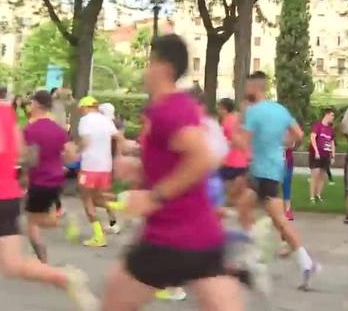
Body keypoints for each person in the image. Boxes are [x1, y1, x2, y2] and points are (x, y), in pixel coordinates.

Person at [101, 34, 242, 310]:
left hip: (168, 237)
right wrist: (141, 170)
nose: (145, 71)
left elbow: (202, 158)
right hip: (203, 235)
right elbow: (180, 162)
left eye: (148, 63)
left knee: (112, 304)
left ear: (162, 68)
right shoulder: (175, 107)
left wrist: (154, 196)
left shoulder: (168, 110)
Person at [0, 62, 96, 311]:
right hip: (7, 197)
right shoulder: (6, 112)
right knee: (12, 264)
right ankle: (63, 277)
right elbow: (20, 152)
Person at [236, 70, 319, 290]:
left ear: (254, 87)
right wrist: (283, 143)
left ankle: (254, 258)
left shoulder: (253, 112)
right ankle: (303, 262)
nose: (245, 90)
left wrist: (234, 131)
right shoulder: (280, 109)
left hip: (261, 170)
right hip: (275, 169)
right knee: (262, 213)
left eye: (247, 86)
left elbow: (243, 142)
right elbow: (299, 134)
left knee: (262, 214)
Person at [22, 90, 78, 262]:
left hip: (39, 179)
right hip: (56, 178)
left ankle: (43, 261)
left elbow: (31, 157)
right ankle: (63, 219)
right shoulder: (59, 130)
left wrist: (24, 175)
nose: (29, 106)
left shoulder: (31, 129)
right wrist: (60, 163)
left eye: (31, 103)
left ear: (38, 105)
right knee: (40, 217)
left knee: (31, 223)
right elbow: (71, 155)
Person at [77, 95, 125, 247]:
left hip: (89, 166)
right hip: (105, 166)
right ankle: (122, 207)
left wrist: (77, 152)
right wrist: (120, 156)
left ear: (85, 107)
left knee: (87, 199)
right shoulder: (106, 120)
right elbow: (119, 137)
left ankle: (99, 236)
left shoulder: (85, 121)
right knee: (98, 198)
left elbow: (85, 141)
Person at [217, 98, 249, 206]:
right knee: (237, 183)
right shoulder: (236, 118)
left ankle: (225, 202)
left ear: (225, 109)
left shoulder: (227, 122)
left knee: (218, 181)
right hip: (241, 159)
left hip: (230, 160)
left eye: (220, 108)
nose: (218, 110)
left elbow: (230, 140)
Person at [309, 108, 335, 202]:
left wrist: (333, 155)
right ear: (326, 115)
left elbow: (332, 142)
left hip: (326, 154)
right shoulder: (317, 125)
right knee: (315, 174)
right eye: (332, 115)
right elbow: (312, 138)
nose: (333, 118)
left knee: (322, 175)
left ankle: (318, 195)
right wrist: (316, 151)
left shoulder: (330, 129)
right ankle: (311, 196)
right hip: (316, 154)